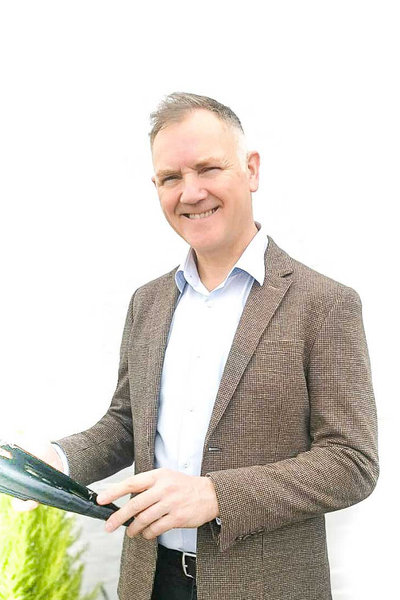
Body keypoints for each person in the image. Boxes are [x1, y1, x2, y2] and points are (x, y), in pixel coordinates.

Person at [18, 93, 379, 600]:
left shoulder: (325, 304)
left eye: (208, 168)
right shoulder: (147, 302)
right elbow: (127, 425)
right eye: (170, 178)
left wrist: (214, 495)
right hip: (149, 583)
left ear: (251, 170)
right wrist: (56, 460)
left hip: (267, 588)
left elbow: (352, 462)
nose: (190, 193)